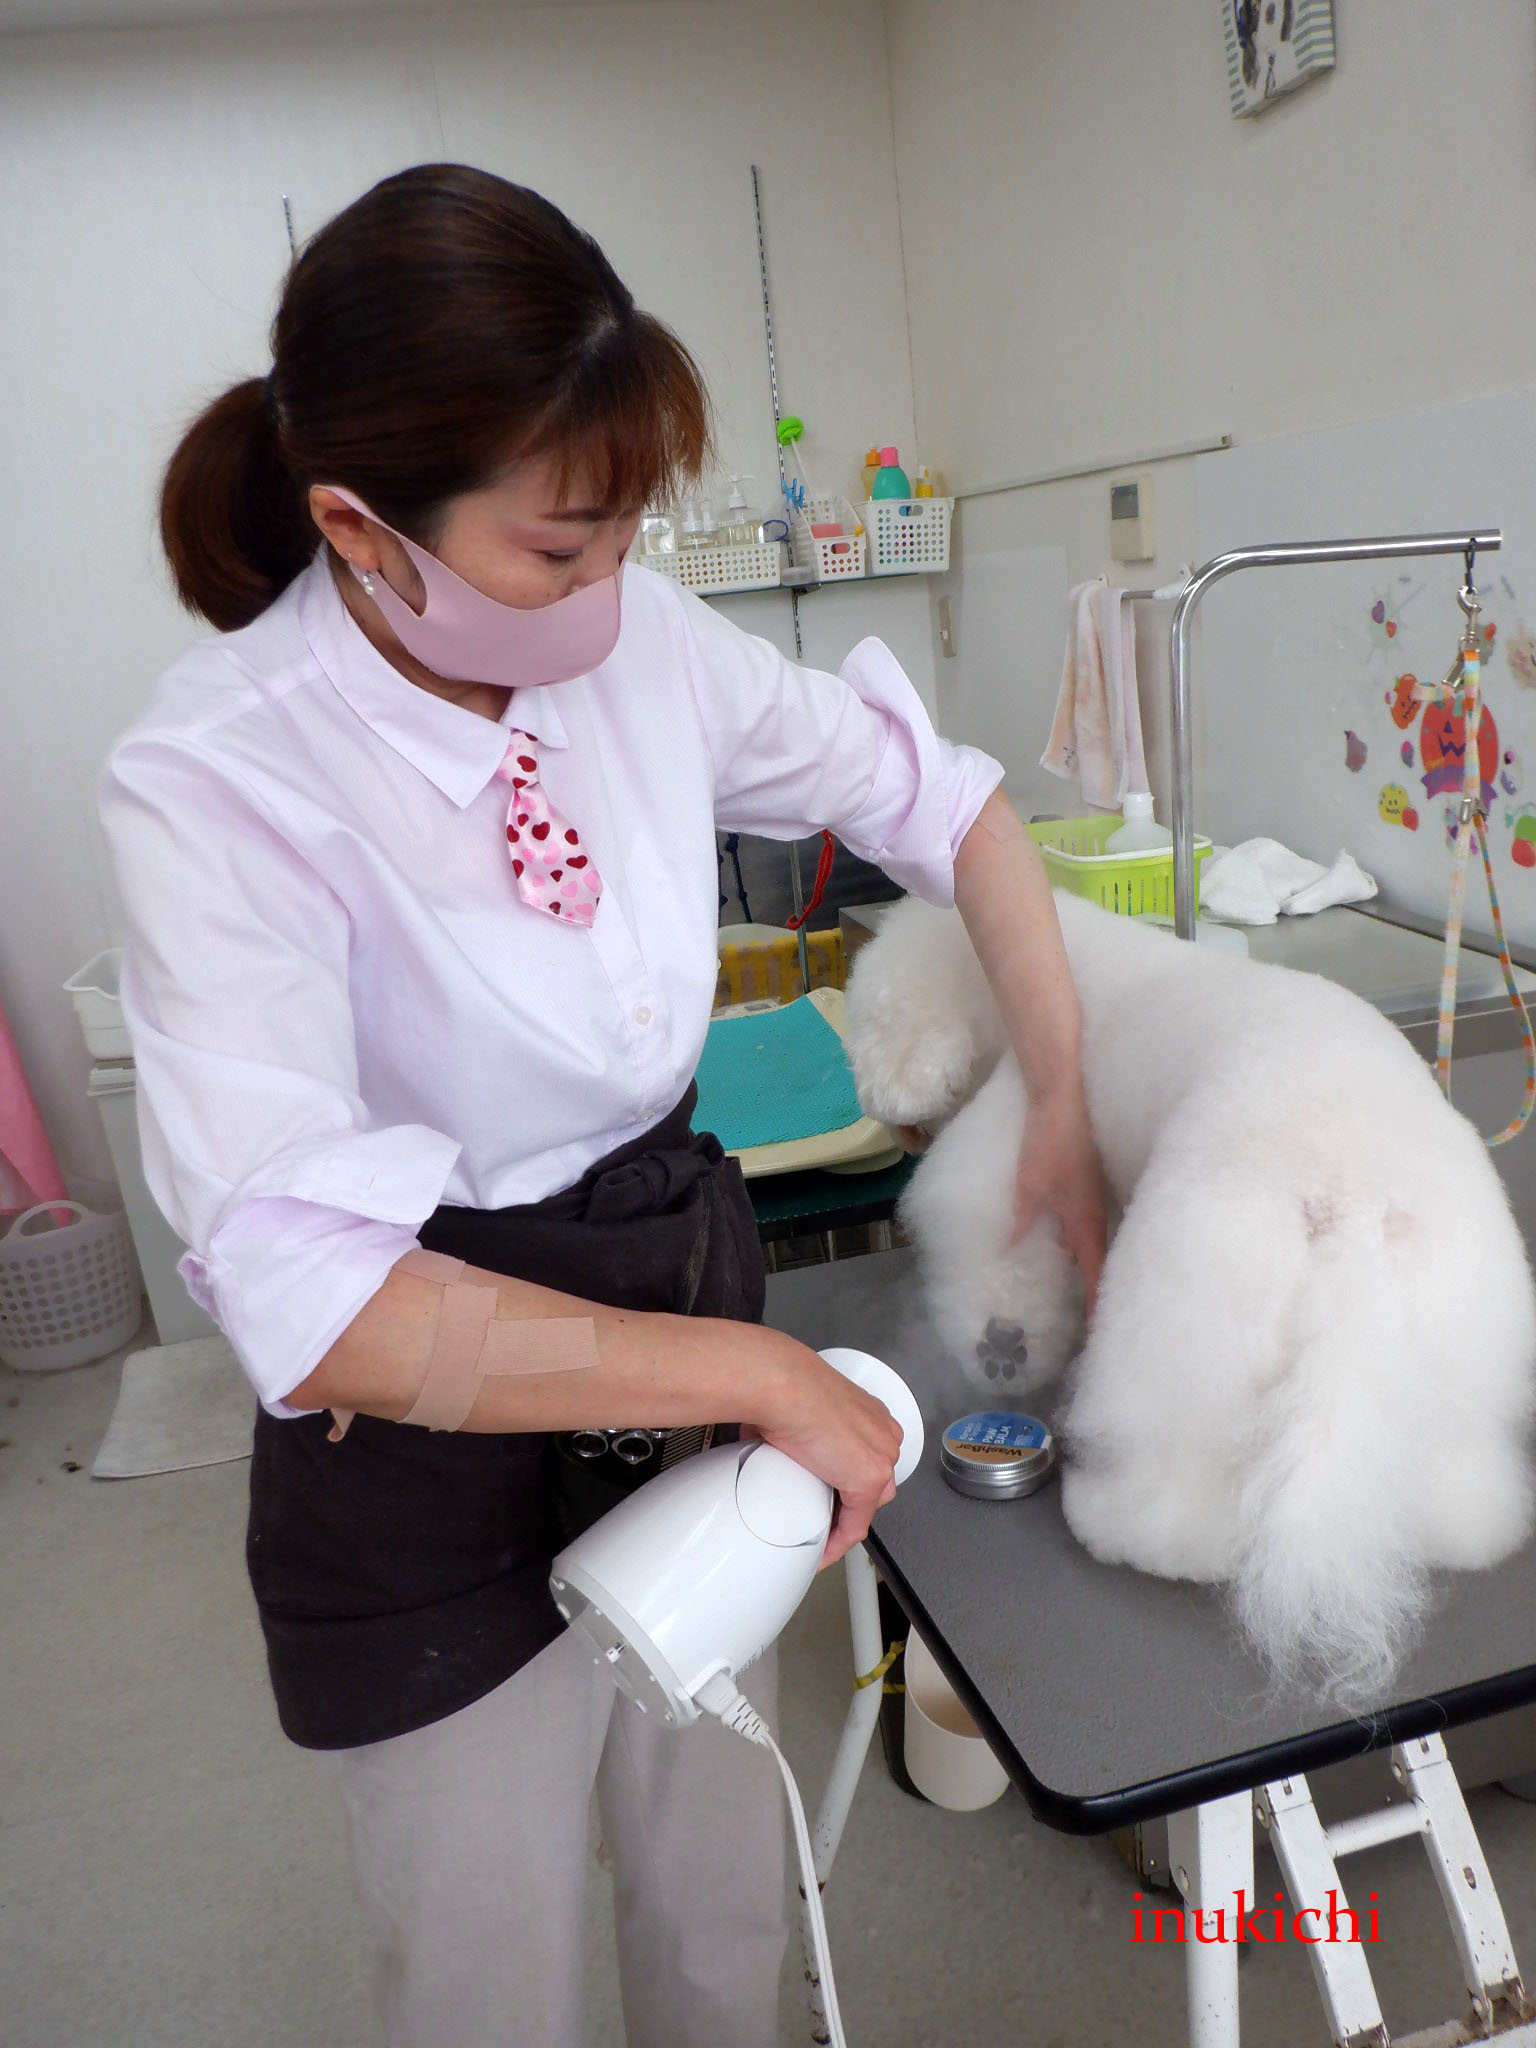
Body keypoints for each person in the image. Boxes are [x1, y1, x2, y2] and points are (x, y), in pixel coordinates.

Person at [100, 163, 1107, 2048]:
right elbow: (325, 1306)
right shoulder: (223, 774)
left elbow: (950, 804)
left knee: (718, 1892)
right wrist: (758, 1373)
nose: (607, 594)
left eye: (627, 534)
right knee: (484, 1961)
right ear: (360, 529)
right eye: (559, 552)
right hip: (424, 1392)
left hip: (666, 1274)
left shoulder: (642, 643)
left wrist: (1058, 1097)